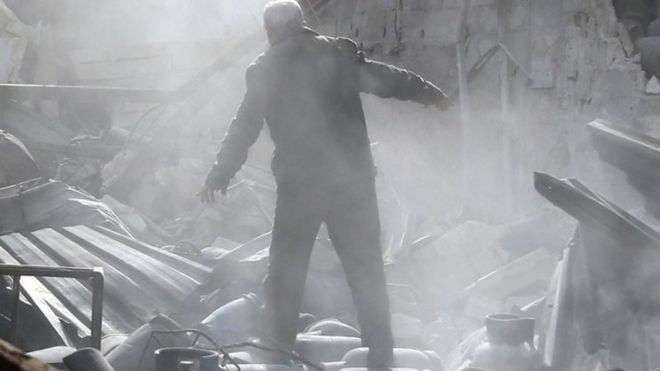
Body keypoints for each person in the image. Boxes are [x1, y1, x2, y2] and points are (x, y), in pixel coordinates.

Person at [198, 0, 452, 367]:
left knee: (286, 276)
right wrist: (431, 93)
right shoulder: (335, 53)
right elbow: (387, 79)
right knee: (367, 275)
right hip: (353, 183)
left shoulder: (265, 68)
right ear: (300, 23)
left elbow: (244, 127)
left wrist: (219, 175)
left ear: (270, 30)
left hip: (301, 186)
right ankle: (380, 360)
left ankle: (276, 359)